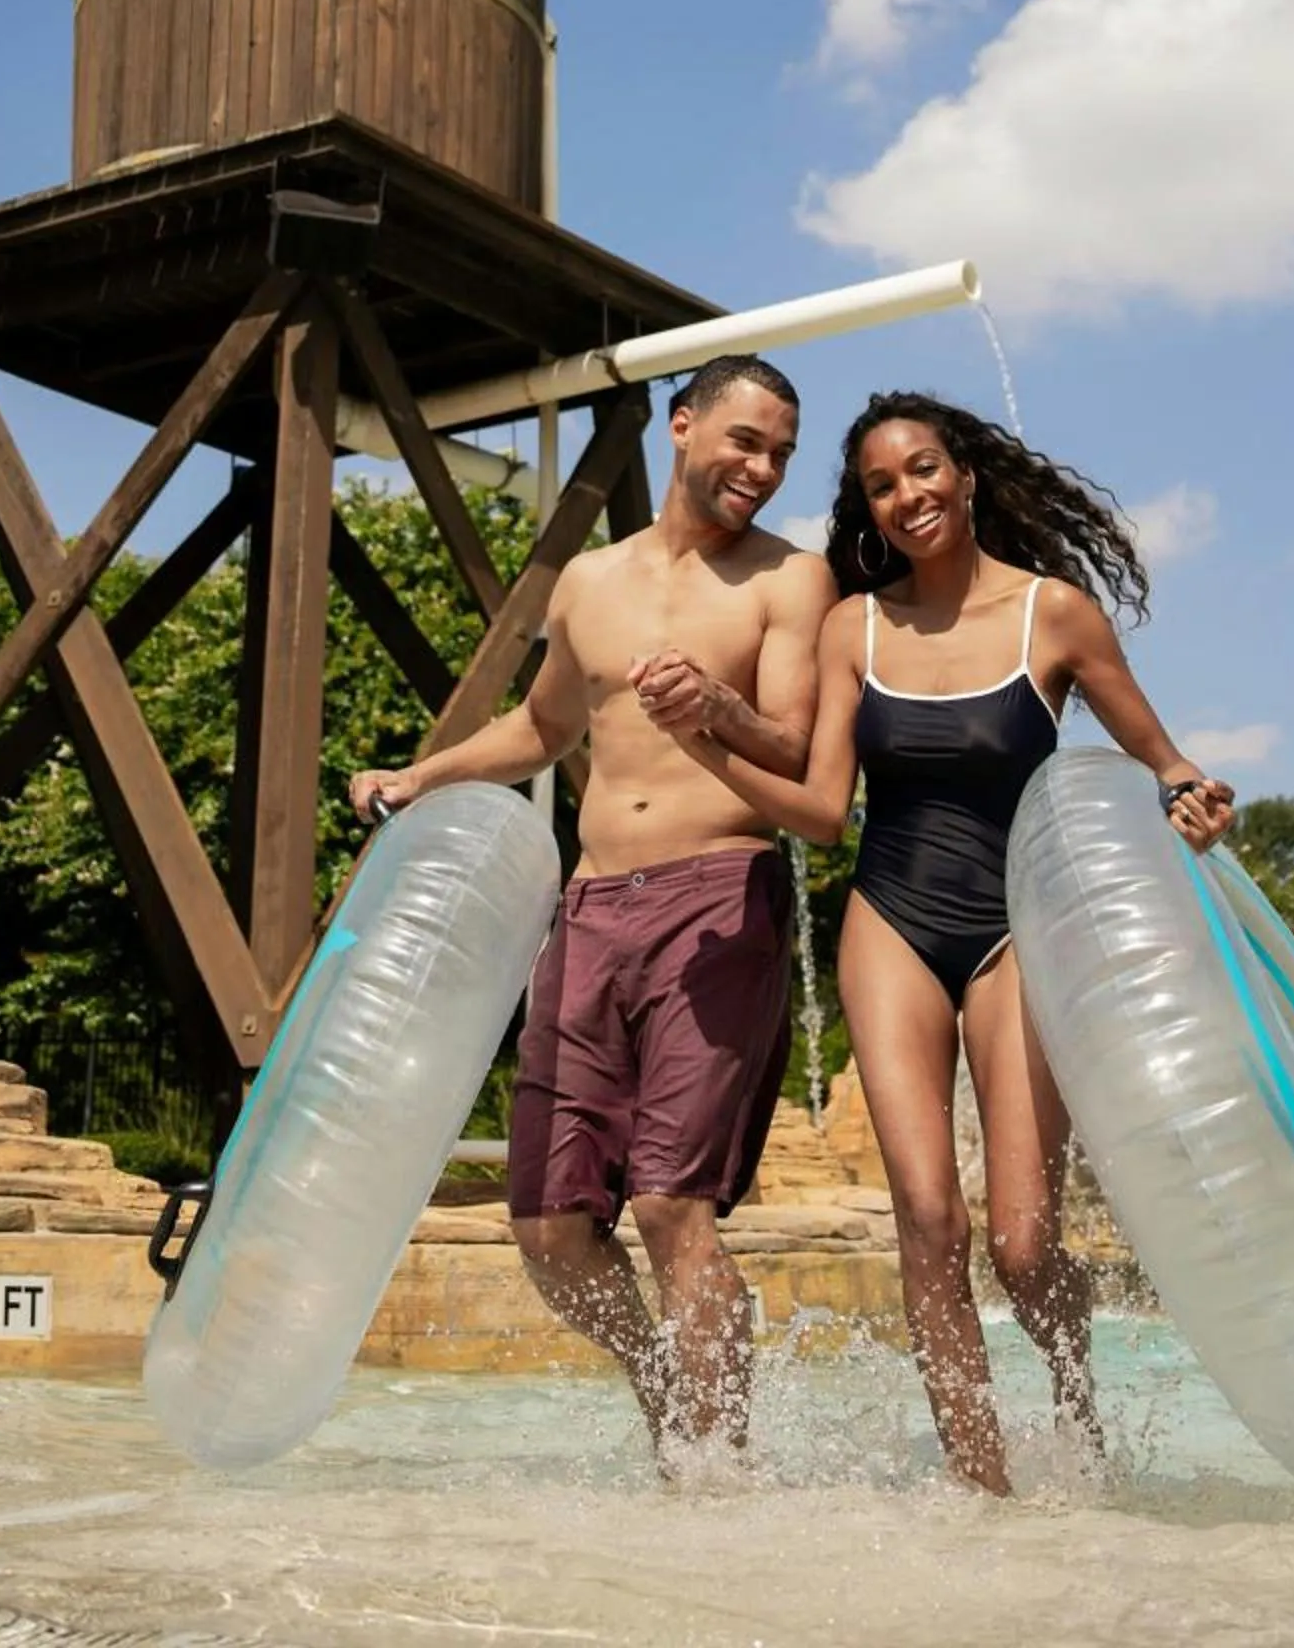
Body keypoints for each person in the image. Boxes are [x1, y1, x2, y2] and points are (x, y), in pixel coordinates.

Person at [668, 392, 1234, 1495]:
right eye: (882, 485)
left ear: (964, 474)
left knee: (1025, 1248)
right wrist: (709, 747)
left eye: (922, 469)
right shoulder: (854, 625)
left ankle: (1075, 1405)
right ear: (870, 509)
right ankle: (985, 1482)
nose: (907, 495)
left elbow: (1162, 761)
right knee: (929, 1215)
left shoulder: (1054, 616)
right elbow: (826, 809)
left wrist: (1195, 797)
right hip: (891, 917)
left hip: (1020, 929)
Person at [347, 355, 837, 1461]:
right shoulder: (587, 582)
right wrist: (419, 776)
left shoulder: (787, 581)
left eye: (780, 454)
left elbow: (800, 749)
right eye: (746, 441)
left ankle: (718, 1475)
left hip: (719, 894)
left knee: (670, 1206)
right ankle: (675, 1403)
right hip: (590, 908)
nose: (761, 468)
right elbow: (540, 728)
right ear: (682, 425)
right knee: (550, 1228)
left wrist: (717, 704)